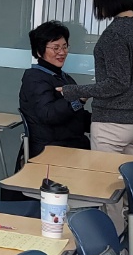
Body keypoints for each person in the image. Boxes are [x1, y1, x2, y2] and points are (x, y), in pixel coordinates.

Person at [60, 0, 133, 155]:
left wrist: (74, 91)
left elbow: (117, 83)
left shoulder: (114, 34)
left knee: (103, 174)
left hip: (112, 125)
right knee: (131, 174)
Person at [18, 20, 90, 163]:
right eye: (55, 48)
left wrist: (106, 120)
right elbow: (48, 114)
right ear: (39, 51)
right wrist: (78, 100)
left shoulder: (63, 77)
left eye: (64, 47)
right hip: (50, 151)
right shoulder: (34, 78)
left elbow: (77, 116)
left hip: (71, 146)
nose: (62, 52)